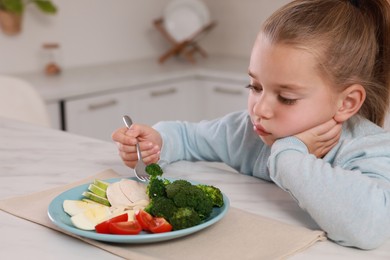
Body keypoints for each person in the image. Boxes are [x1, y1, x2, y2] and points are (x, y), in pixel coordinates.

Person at [112, 0, 390, 250]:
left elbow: (369, 230)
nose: (259, 109)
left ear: (346, 103)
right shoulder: (246, 132)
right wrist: (156, 143)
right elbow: (189, 137)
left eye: (286, 97)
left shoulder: (369, 149)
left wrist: (288, 153)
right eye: (254, 86)